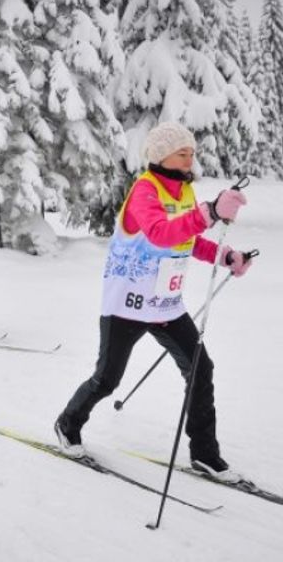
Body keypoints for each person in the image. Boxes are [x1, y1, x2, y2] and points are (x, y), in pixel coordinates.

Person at [53, 122, 255, 483]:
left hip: (165, 305)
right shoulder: (145, 190)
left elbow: (186, 240)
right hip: (127, 305)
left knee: (201, 369)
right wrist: (209, 212)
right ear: (162, 155)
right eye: (183, 152)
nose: (190, 158)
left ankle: (205, 454)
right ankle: (67, 424)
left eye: (192, 152)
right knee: (106, 380)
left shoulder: (184, 193)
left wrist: (225, 256)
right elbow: (161, 234)